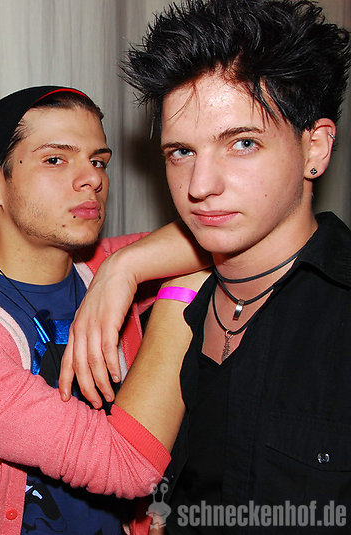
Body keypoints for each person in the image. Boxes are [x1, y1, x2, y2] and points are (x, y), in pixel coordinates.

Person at [73, 0, 351, 531]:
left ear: (314, 147)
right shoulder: (170, 308)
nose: (200, 185)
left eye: (242, 143)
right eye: (181, 152)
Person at [0, 86, 207, 534]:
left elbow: (226, 231)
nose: (92, 179)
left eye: (98, 161)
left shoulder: (107, 270)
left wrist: (123, 268)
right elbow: (127, 465)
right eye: (56, 159)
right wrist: (181, 296)